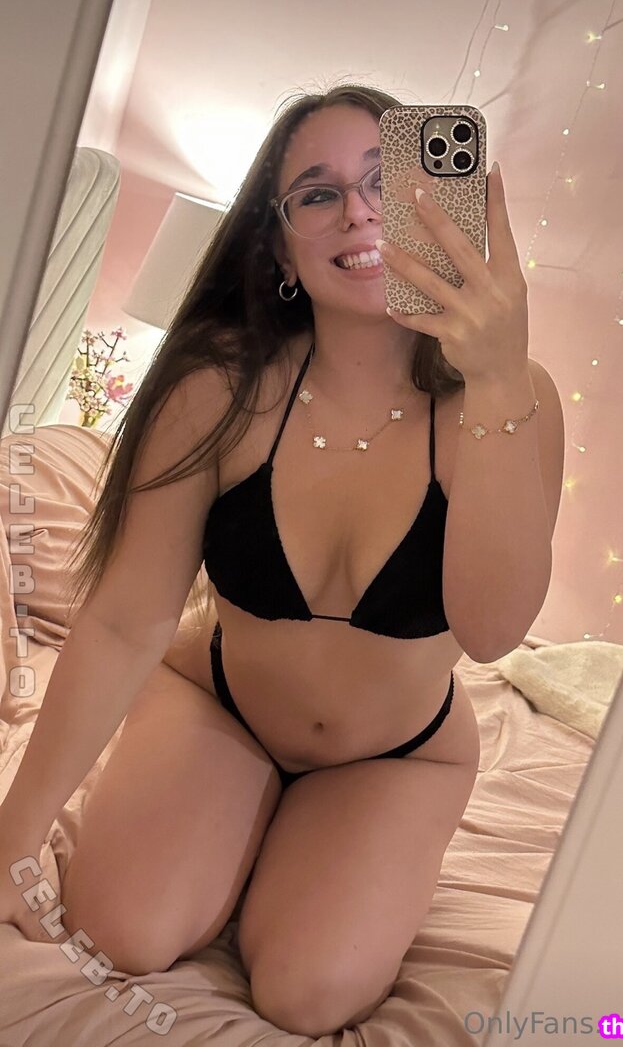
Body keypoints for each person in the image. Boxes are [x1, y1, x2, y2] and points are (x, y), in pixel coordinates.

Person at [0, 83, 561, 1037]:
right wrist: (16, 831)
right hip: (219, 701)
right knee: (122, 934)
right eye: (318, 192)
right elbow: (127, 619)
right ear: (277, 244)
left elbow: (494, 629)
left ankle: (286, 838)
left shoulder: (513, 400)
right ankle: (236, 816)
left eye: (385, 181)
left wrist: (499, 376)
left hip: (396, 754)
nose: (359, 212)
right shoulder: (219, 388)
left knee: (310, 995)